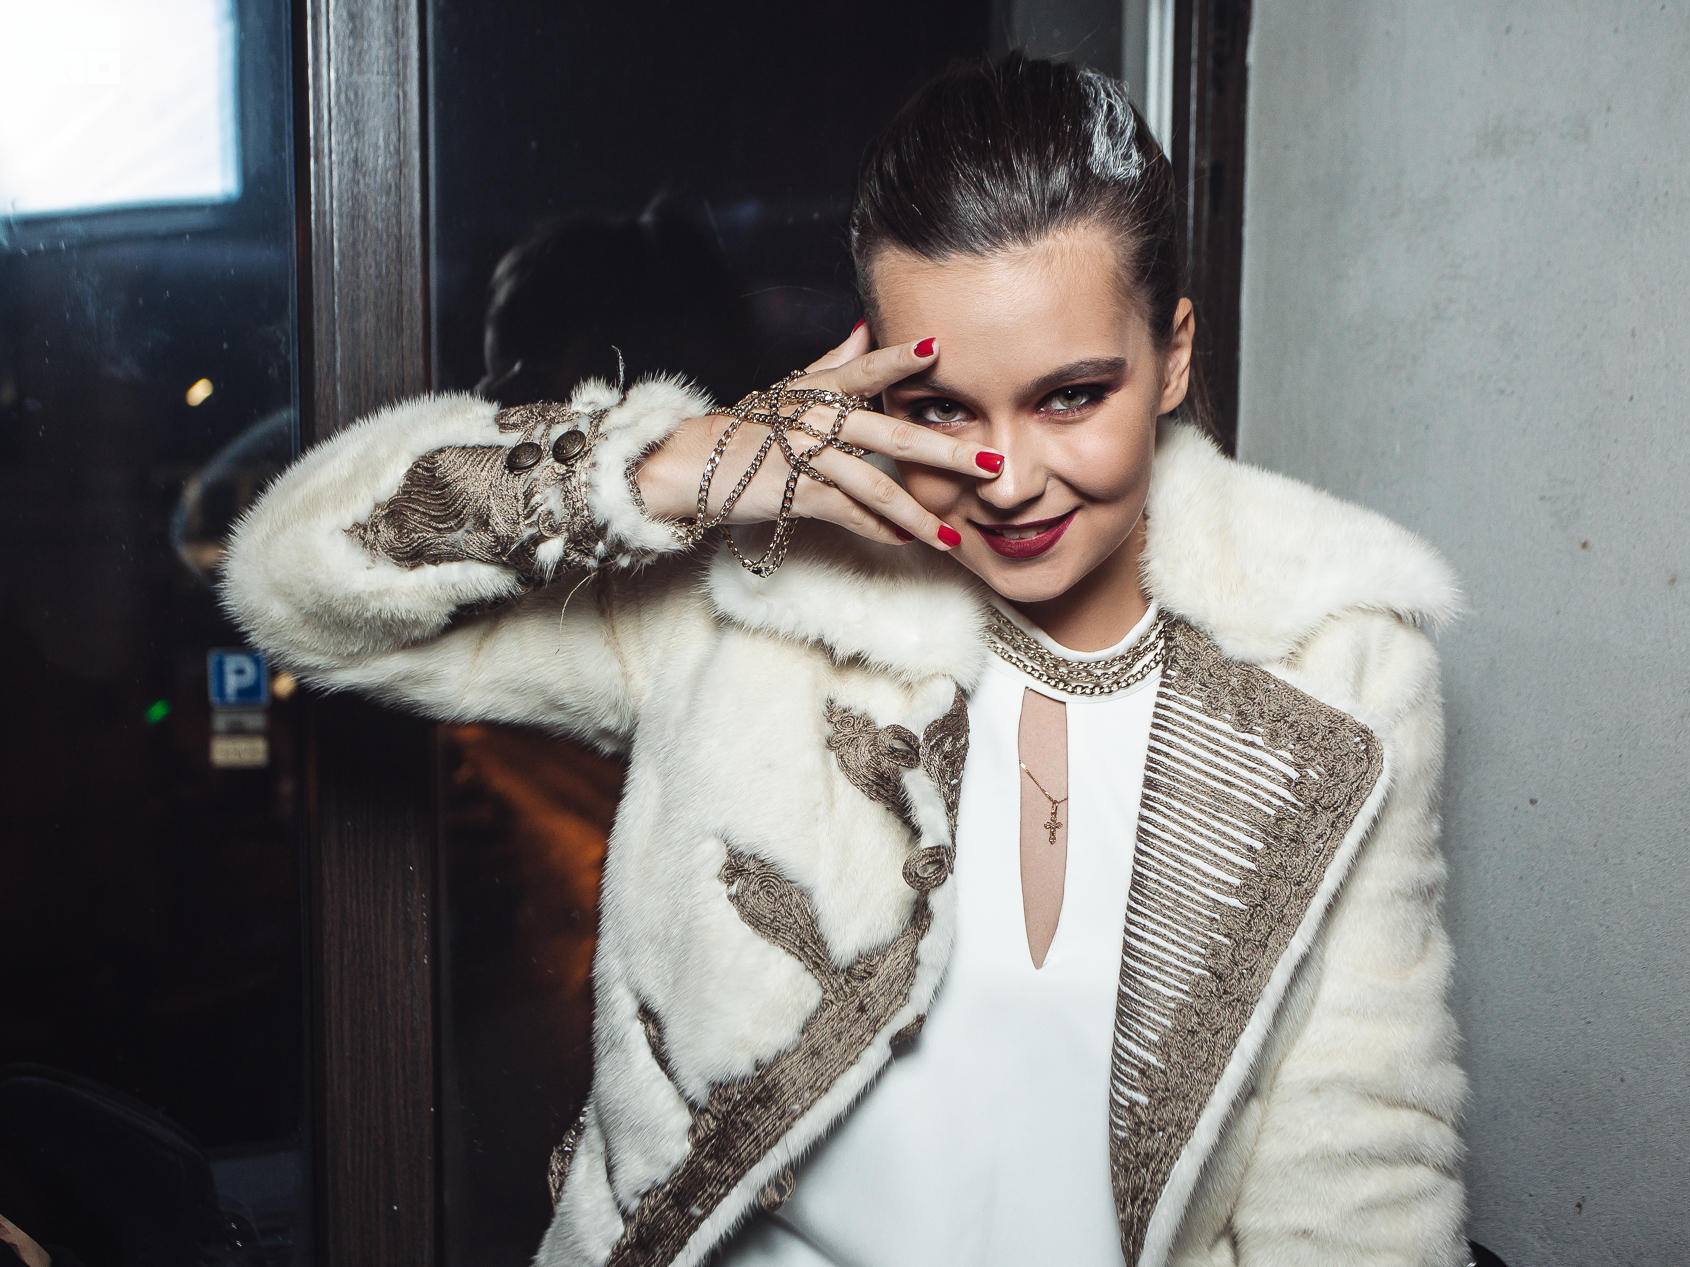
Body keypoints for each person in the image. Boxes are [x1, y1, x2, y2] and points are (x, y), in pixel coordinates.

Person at [223, 54, 1468, 1267]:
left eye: (1070, 396)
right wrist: (660, 467)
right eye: (943, 407)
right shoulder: (760, 598)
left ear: (1174, 355)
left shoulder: (1333, 664)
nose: (1008, 476)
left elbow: (1357, 1160)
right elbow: (293, 583)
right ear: (874, 371)